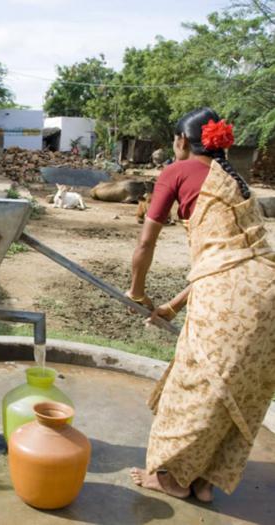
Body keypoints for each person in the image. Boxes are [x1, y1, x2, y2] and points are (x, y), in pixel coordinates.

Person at [126, 108, 275, 502]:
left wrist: (137, 292)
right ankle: (205, 482)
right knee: (232, 389)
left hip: (226, 296)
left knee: (192, 385)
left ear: (181, 141)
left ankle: (173, 479)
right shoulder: (238, 184)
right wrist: (174, 306)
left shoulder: (178, 171)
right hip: (267, 294)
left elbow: (145, 243)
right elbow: (231, 258)